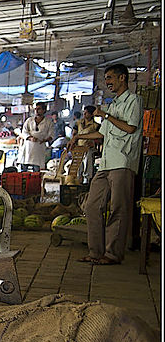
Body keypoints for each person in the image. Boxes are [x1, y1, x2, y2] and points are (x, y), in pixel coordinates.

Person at [73, 64, 141, 266]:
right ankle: (95, 252)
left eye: (110, 78)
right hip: (105, 162)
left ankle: (112, 254)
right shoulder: (113, 104)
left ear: (122, 78)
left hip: (123, 161)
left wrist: (106, 116)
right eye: (106, 79)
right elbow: (103, 133)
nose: (107, 82)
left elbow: (130, 127)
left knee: (118, 208)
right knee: (92, 206)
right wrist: (78, 136)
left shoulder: (134, 101)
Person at [66, 105, 101, 183]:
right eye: (84, 113)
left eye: (87, 113)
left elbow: (99, 138)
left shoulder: (96, 125)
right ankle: (78, 179)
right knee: (78, 163)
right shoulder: (78, 123)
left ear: (92, 114)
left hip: (89, 148)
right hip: (79, 147)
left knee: (88, 157)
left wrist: (93, 142)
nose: (84, 115)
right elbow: (74, 134)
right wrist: (73, 142)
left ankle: (88, 179)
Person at [17, 103, 55, 172]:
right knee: (24, 167)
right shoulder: (29, 120)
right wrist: (30, 138)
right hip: (28, 146)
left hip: (39, 147)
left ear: (44, 110)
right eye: (36, 109)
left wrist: (44, 140)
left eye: (39, 109)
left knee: (36, 169)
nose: (37, 111)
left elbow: (51, 135)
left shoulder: (49, 122)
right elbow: (24, 132)